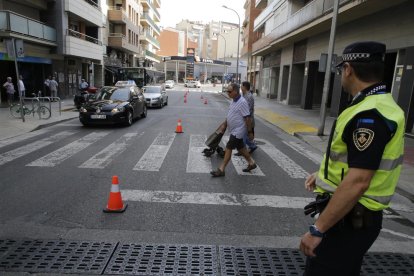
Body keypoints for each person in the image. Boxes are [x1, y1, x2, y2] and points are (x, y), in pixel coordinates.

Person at [299, 41, 405, 275]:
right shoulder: (380, 104)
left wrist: (318, 230)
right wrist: (324, 175)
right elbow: (359, 161)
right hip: (353, 217)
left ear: (348, 69)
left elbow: (359, 180)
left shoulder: (369, 114)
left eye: (340, 71)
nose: (341, 76)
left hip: (349, 220)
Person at [210, 83, 257, 177]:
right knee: (241, 148)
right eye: (227, 91)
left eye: (229, 91)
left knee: (229, 147)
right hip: (233, 129)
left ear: (235, 91)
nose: (228, 93)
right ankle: (251, 163)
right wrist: (224, 124)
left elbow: (247, 118)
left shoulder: (242, 102)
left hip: (238, 130)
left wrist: (250, 132)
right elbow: (230, 115)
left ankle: (221, 169)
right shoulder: (233, 101)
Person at [235, 81, 257, 156]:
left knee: (242, 135)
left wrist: (245, 119)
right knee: (243, 135)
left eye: (241, 86)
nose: (240, 87)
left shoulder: (249, 96)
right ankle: (252, 146)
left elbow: (249, 110)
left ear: (245, 87)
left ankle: (242, 150)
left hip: (247, 119)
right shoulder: (243, 95)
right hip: (243, 118)